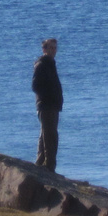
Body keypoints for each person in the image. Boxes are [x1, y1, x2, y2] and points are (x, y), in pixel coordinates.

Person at [31, 38, 62, 172]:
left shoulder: (51, 64)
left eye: (55, 48)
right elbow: (35, 86)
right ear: (44, 49)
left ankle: (40, 164)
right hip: (46, 105)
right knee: (50, 136)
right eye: (50, 48)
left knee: (47, 134)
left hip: (53, 106)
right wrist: (48, 97)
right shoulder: (42, 65)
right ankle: (49, 166)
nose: (53, 50)